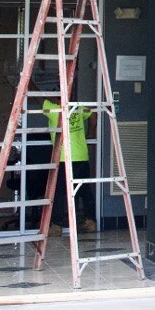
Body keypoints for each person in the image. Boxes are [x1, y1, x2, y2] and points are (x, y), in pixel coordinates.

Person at [42, 95, 98, 234]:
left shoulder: (55, 109)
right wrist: (91, 133)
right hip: (81, 156)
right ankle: (90, 221)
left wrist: (31, 84)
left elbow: (40, 99)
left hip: (64, 158)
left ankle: (56, 226)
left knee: (60, 192)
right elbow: (93, 114)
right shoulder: (77, 107)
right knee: (84, 190)